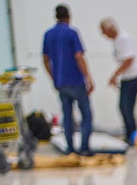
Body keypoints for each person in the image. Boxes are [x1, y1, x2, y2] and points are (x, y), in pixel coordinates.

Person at [42, 4, 94, 155]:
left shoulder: (48, 35)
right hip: (76, 81)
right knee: (86, 115)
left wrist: (54, 78)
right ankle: (84, 148)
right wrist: (88, 77)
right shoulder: (72, 33)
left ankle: (70, 148)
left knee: (67, 116)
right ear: (69, 16)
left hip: (61, 83)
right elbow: (79, 56)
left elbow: (45, 59)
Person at [100, 18, 137, 144]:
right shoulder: (116, 41)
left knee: (126, 107)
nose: (104, 35)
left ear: (109, 29)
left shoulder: (124, 38)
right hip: (126, 78)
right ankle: (130, 134)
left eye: (104, 31)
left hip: (133, 77)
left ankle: (133, 136)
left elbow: (129, 59)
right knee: (124, 107)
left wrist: (115, 74)